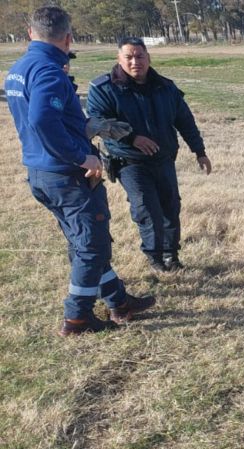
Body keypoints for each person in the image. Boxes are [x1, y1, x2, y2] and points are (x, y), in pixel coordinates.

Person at [5, 6, 155, 336]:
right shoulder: (49, 71)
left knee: (84, 240)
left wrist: (90, 127)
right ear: (68, 37)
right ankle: (77, 318)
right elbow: (43, 120)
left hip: (42, 172)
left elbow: (49, 120)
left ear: (30, 33)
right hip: (66, 175)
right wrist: (80, 157)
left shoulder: (19, 69)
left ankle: (118, 302)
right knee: (92, 246)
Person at [87, 36, 212, 272]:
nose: (135, 61)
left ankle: (170, 255)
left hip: (163, 159)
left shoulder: (165, 87)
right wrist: (131, 137)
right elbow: (97, 123)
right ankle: (154, 256)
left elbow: (185, 121)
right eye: (129, 57)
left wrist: (199, 151)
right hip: (128, 161)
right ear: (119, 59)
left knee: (170, 207)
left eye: (140, 56)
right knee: (147, 208)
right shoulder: (103, 88)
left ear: (148, 57)